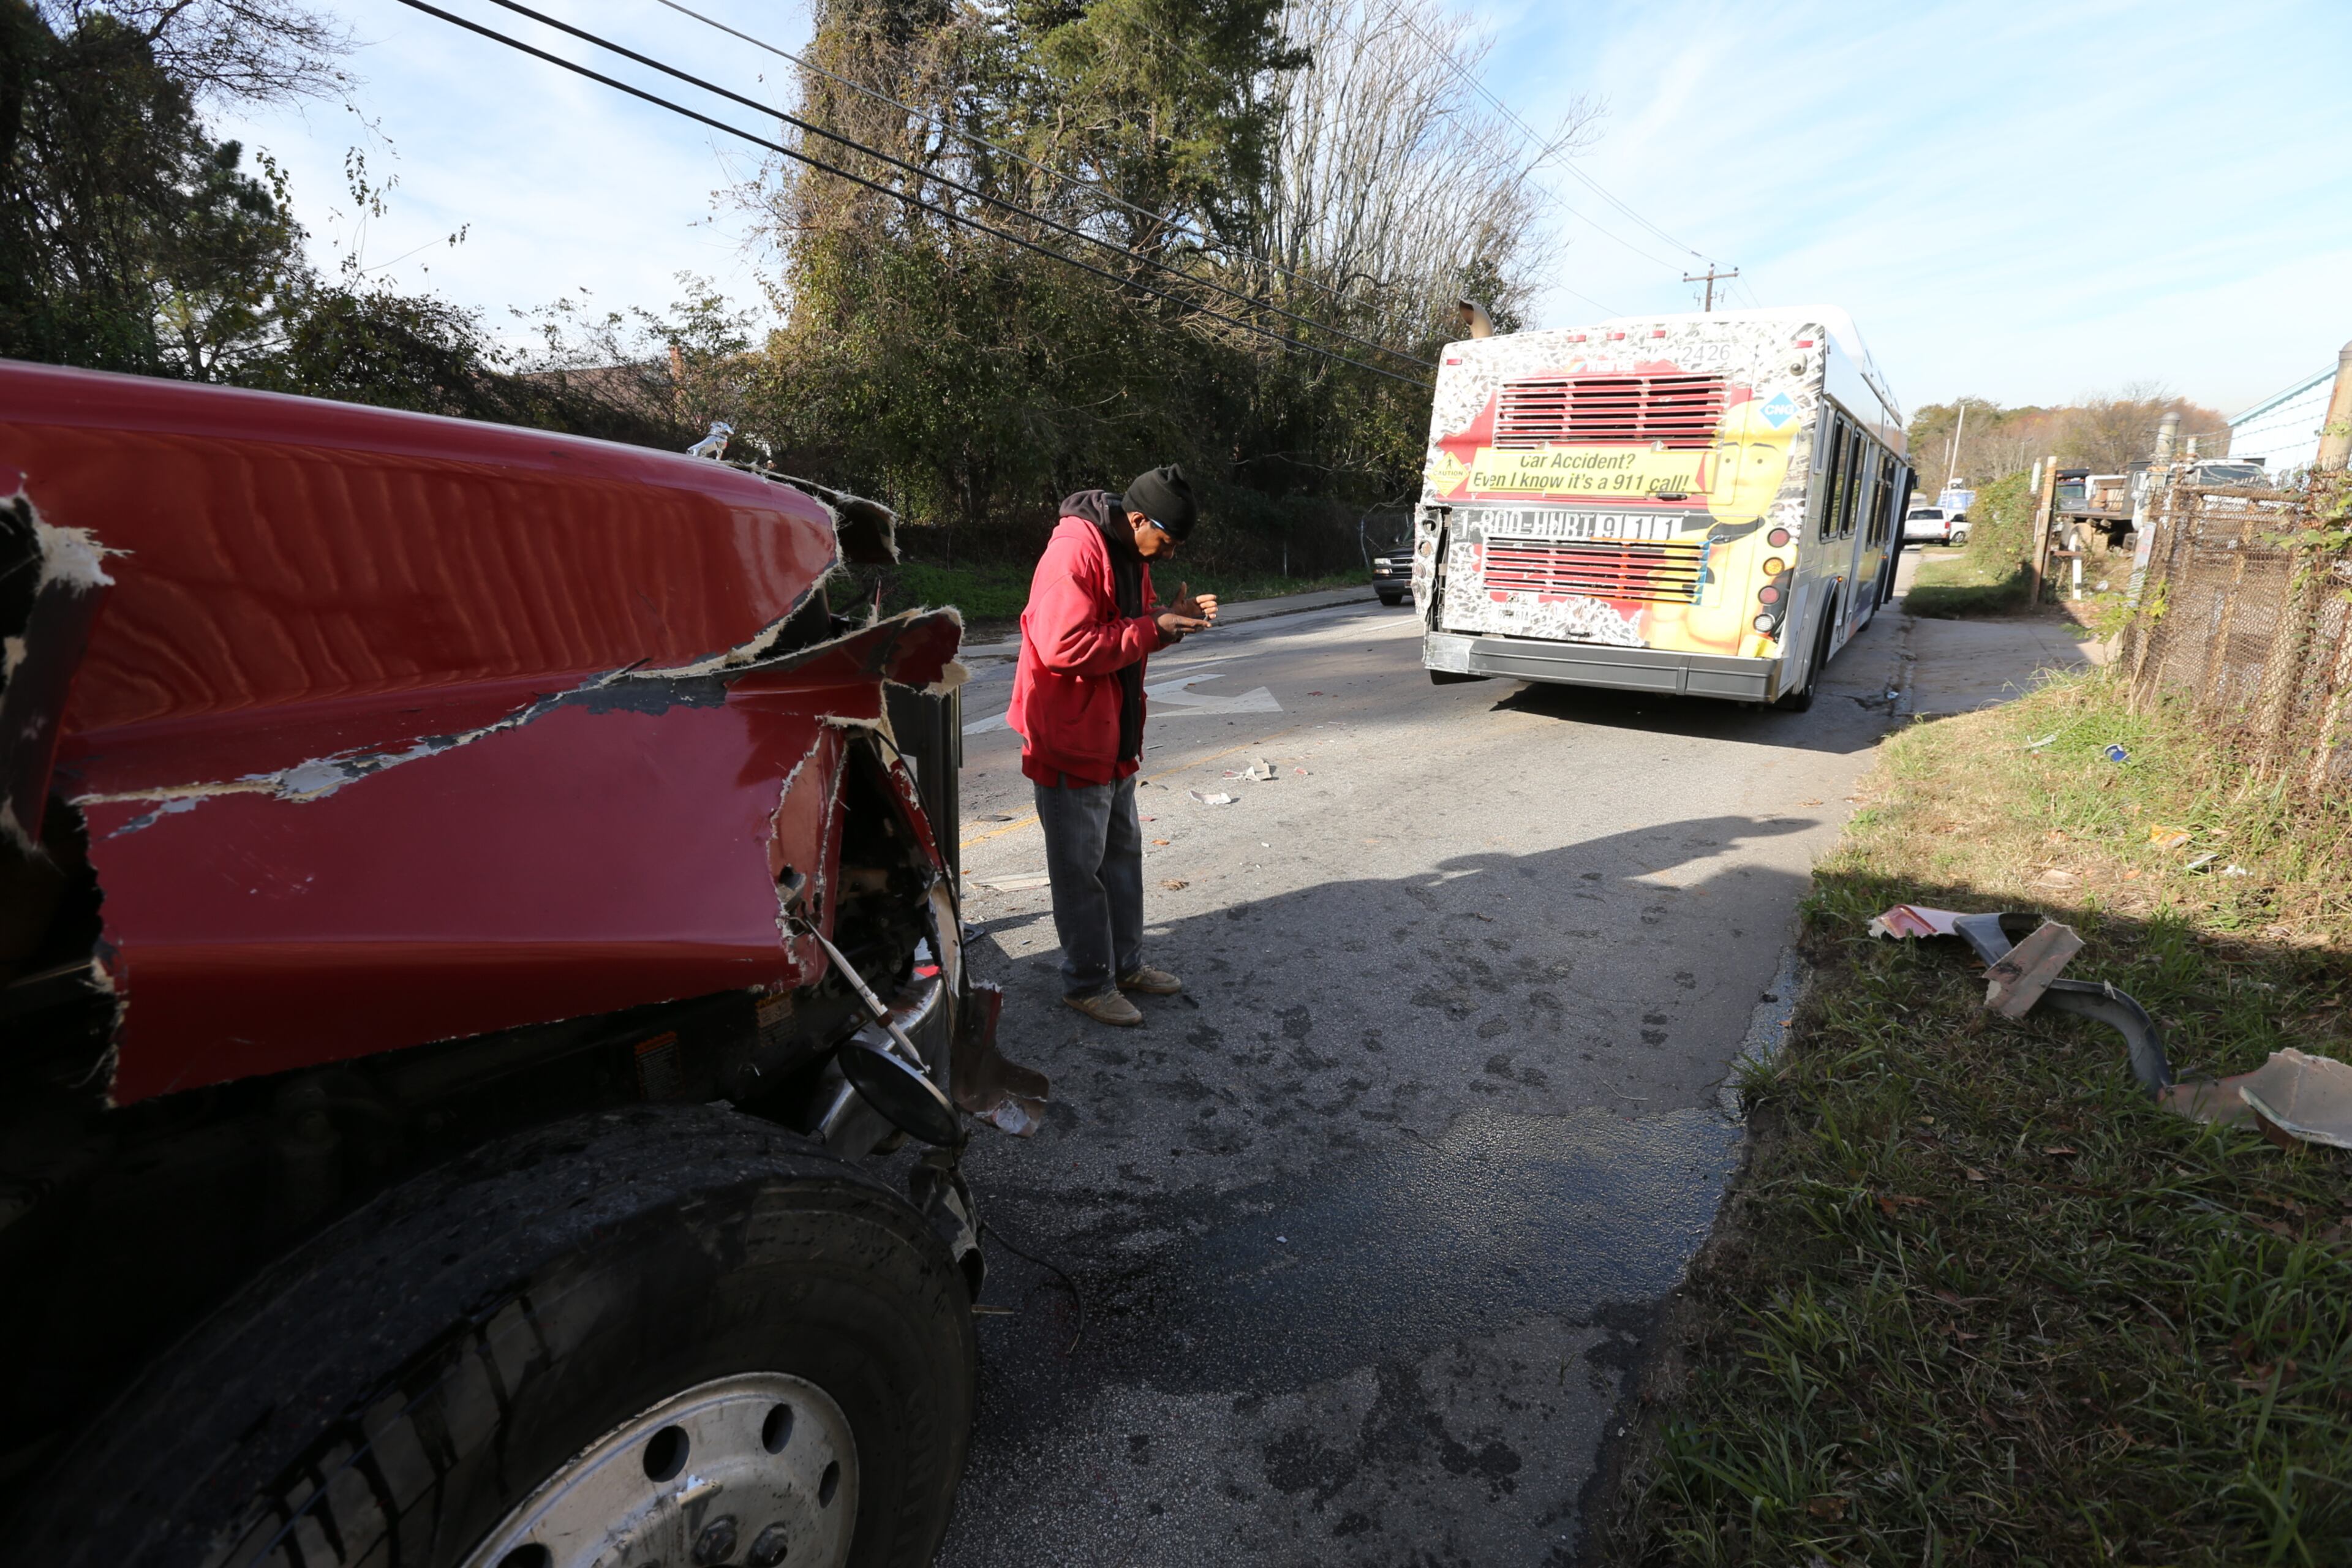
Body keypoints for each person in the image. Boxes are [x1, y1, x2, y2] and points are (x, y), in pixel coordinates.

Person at [1007, 465, 1218, 1026]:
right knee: (1081, 871)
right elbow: (1065, 645)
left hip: (1114, 736)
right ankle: (1087, 982)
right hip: (1070, 739)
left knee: (1122, 859)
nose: (1167, 555)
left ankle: (1124, 966)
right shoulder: (1074, 553)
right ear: (1137, 519)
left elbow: (1128, 624)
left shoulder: (1130, 551)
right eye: (1165, 541)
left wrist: (1170, 620)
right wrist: (1155, 630)